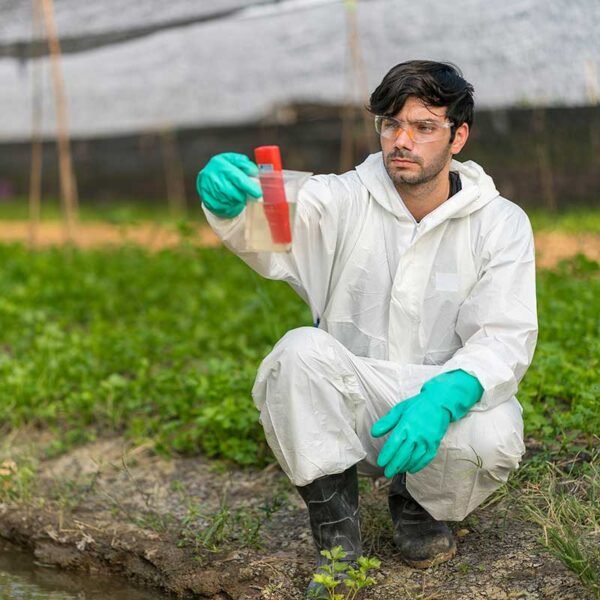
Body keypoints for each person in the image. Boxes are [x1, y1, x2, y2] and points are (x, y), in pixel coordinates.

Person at [196, 60, 538, 597]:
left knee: (492, 437)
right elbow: (276, 219)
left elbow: (505, 335)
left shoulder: (500, 223)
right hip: (354, 398)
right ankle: (338, 538)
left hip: (438, 404)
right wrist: (229, 202)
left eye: (424, 127)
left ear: (459, 136)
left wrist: (445, 397)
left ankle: (419, 506)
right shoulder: (343, 198)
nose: (402, 140)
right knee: (297, 353)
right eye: (390, 124)